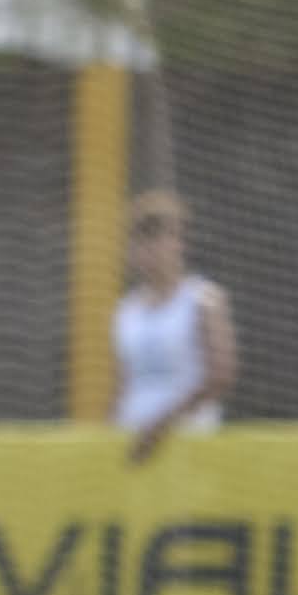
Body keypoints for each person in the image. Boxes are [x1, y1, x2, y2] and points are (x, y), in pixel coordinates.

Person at [109, 191, 236, 465]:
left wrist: (160, 429)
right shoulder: (125, 310)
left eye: (161, 237)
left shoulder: (204, 298)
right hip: (134, 446)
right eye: (142, 240)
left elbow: (220, 376)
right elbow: (123, 383)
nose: (152, 249)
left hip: (190, 445)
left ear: (178, 242)